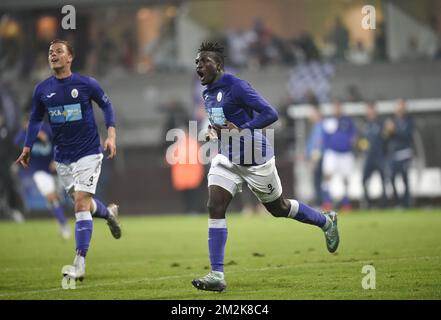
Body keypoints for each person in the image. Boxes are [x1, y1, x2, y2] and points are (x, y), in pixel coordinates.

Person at [191, 42, 340, 292]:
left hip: (255, 159)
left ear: (217, 64)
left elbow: (270, 113)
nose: (198, 66)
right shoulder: (207, 92)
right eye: (196, 62)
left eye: (203, 61)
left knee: (279, 208)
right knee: (214, 206)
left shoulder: (237, 86)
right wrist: (212, 131)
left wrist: (243, 129)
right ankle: (217, 274)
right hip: (227, 158)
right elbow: (223, 123)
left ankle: (326, 221)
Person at [16, 39, 122, 282]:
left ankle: (79, 263)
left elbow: (106, 106)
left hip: (89, 152)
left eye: (59, 51)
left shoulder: (86, 84)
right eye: (50, 52)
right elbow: (34, 120)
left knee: (80, 205)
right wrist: (27, 146)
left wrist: (112, 135)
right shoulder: (42, 90)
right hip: (62, 157)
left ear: (70, 57)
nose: (53, 55)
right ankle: (109, 214)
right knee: (83, 203)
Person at [15, 115, 71, 239]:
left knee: (57, 198)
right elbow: (16, 145)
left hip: (55, 169)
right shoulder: (24, 135)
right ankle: (63, 224)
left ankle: (59, 216)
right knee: (51, 197)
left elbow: (60, 144)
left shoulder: (48, 130)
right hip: (38, 171)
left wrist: (55, 159)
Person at [321, 101, 357, 212]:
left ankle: (345, 203)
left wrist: (353, 140)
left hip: (346, 154)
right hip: (332, 153)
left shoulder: (348, 120)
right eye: (335, 107)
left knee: (345, 178)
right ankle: (327, 202)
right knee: (327, 176)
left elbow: (353, 134)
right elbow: (324, 137)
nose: (337, 109)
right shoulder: (329, 121)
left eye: (339, 107)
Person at [384, 99, 414, 208]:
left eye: (402, 105)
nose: (400, 108)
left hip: (405, 153)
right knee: (391, 178)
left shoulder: (409, 121)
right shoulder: (391, 120)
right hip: (394, 154)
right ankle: (397, 201)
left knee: (404, 178)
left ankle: (406, 202)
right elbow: (386, 137)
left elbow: (407, 135)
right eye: (398, 105)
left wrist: (394, 130)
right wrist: (388, 131)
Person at [361, 102, 388, 208]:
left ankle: (384, 204)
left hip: (380, 156)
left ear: (375, 111)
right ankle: (368, 203)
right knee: (364, 180)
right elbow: (363, 140)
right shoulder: (365, 125)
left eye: (371, 110)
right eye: (368, 110)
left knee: (383, 181)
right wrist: (363, 147)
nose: (370, 112)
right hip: (369, 157)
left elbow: (386, 139)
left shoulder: (381, 124)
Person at [0, 110, 25, 222]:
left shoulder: (7, 132)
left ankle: (15, 211)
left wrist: (15, 163)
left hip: (5, 165)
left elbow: (13, 149)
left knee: (10, 187)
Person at [305, 106, 324, 207]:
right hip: (315, 158)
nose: (310, 117)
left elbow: (318, 144)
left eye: (312, 114)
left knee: (318, 181)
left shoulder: (320, 127)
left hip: (317, 158)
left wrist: (314, 159)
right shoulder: (315, 127)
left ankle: (320, 203)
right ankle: (320, 202)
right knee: (317, 181)